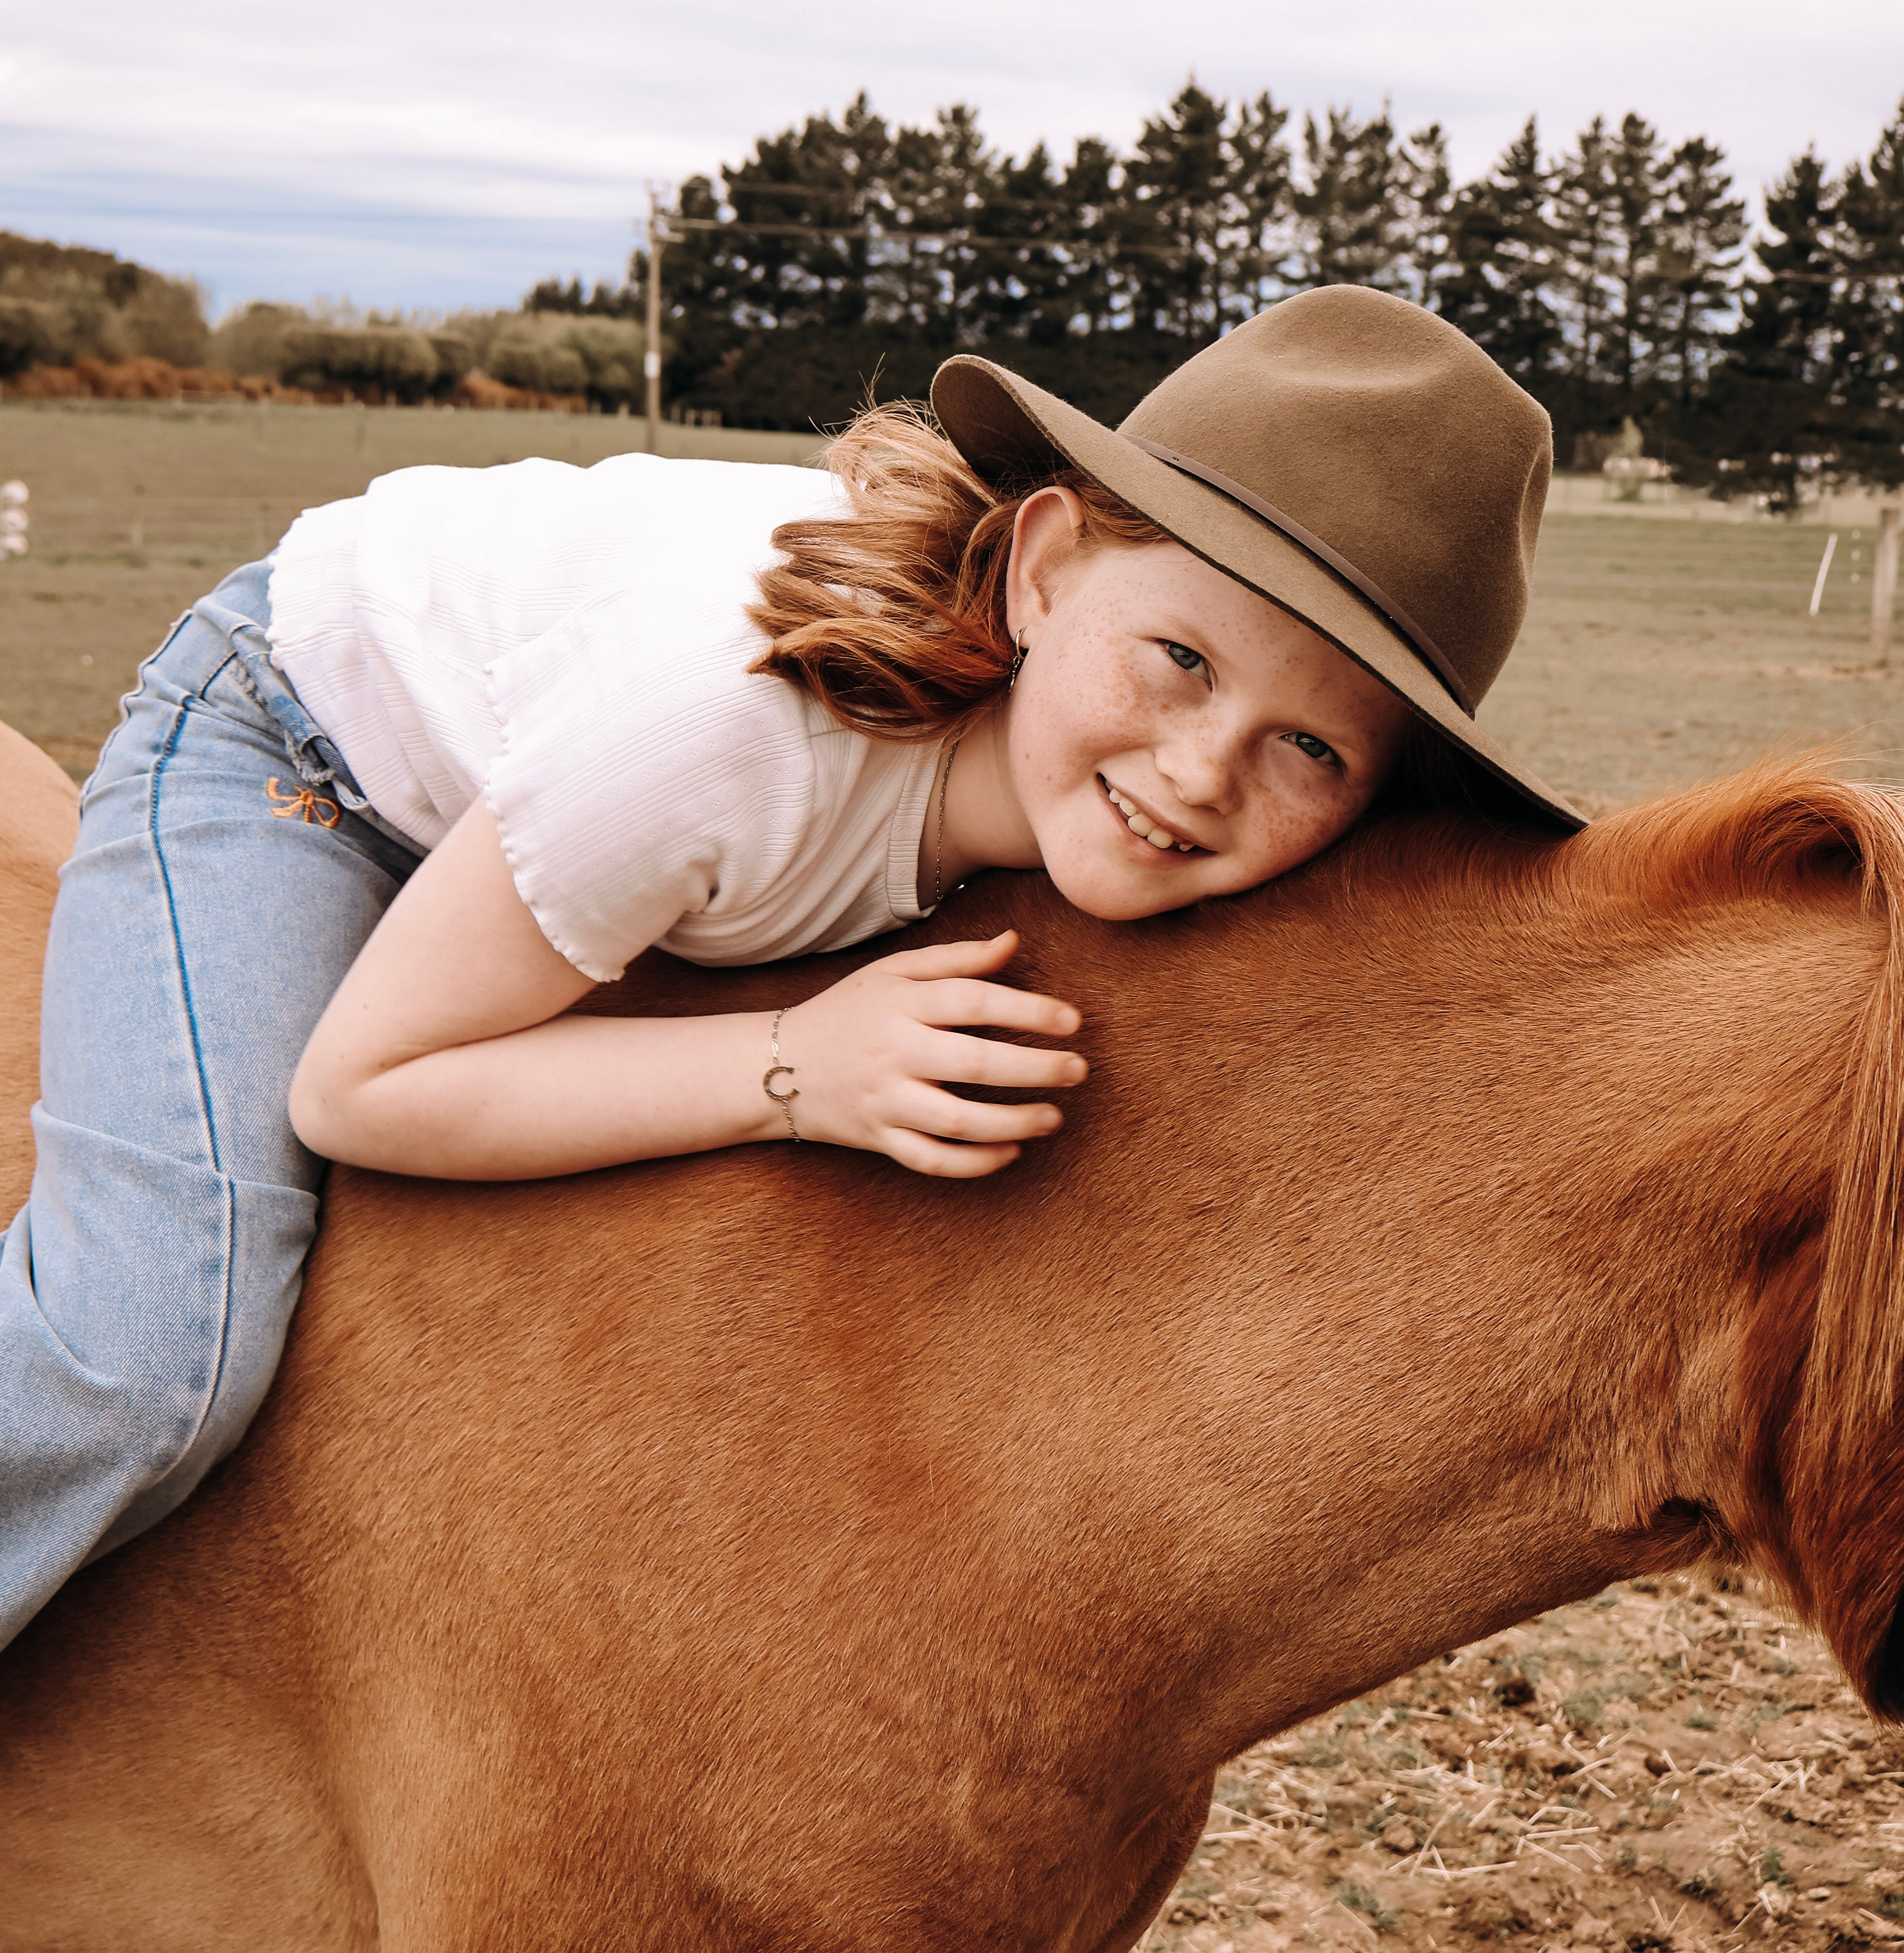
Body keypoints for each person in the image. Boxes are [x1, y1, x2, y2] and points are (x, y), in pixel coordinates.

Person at [0, 285, 1575, 1650]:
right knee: (154, 1344)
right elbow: (365, 1086)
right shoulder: (734, 739)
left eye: (1310, 747)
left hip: (558, 796)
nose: (1202, 773)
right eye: (1180, 660)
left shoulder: (1088, 774)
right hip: (305, 741)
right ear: (1045, 569)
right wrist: (791, 1068)